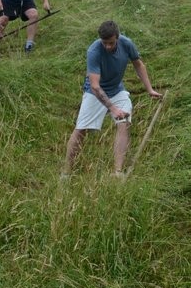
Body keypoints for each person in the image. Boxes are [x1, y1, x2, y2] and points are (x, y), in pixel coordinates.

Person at [62, 20, 162, 178]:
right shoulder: (94, 51)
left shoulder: (127, 44)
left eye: (111, 43)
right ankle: (66, 172)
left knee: (124, 123)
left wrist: (149, 89)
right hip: (94, 92)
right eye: (104, 43)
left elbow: (138, 65)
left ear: (118, 36)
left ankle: (117, 172)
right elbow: (95, 86)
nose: (108, 46)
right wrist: (113, 108)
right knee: (81, 129)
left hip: (117, 90)